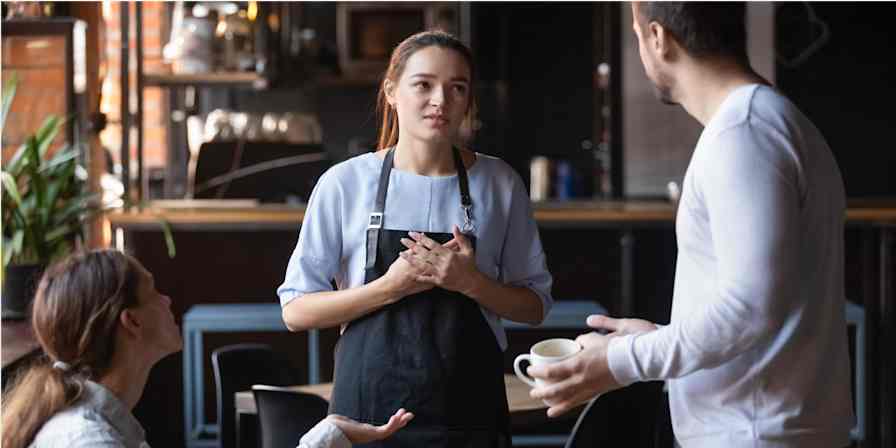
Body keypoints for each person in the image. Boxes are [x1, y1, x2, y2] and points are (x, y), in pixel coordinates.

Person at [528, 3, 854, 448]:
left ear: (658, 38)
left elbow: (749, 308)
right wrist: (661, 339)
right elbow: (764, 308)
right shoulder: (767, 122)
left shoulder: (744, 133)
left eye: (638, 35)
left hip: (753, 436)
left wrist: (622, 361)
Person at [278, 30, 553, 447]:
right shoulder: (344, 184)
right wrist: (389, 288)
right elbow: (296, 311)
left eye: (456, 87)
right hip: (365, 416)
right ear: (391, 90)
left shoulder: (500, 183)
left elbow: (535, 307)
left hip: (468, 415)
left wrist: (471, 283)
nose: (441, 100)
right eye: (423, 84)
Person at [1, 249, 412, 448]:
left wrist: (329, 436)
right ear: (132, 322)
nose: (167, 301)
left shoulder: (100, 423)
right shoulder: (89, 441)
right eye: (153, 292)